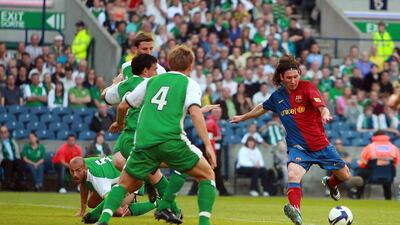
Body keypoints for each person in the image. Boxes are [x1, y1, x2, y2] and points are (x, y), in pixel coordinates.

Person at [96, 45, 216, 225]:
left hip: (143, 143)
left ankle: (103, 220)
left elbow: (122, 106)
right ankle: (196, 219)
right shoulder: (189, 83)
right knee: (206, 174)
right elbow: (195, 112)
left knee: (123, 184)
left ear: (168, 63)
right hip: (171, 140)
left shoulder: (150, 81)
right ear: (190, 66)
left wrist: (119, 123)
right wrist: (208, 145)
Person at [231, 55, 352, 225]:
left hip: (321, 146)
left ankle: (331, 183)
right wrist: (243, 117)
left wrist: (325, 113)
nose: (293, 81)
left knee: (345, 175)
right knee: (293, 174)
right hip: (298, 147)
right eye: (289, 78)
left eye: (296, 77)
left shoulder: (308, 87)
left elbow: (321, 105)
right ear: (281, 77)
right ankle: (296, 211)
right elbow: (261, 108)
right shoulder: (277, 97)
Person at [70, 156, 158, 220]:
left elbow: (113, 204)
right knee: (92, 203)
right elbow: (83, 183)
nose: (75, 175)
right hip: (119, 174)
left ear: (85, 168)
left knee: (119, 212)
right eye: (72, 171)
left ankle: (157, 202)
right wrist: (82, 210)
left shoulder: (98, 179)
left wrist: (94, 214)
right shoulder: (82, 163)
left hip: (132, 179)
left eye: (78, 171)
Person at [355, 131, 399, 200]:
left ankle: (358, 196)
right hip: (388, 176)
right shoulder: (393, 148)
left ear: (374, 137)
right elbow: (395, 163)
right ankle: (388, 198)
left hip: (371, 176)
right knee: (388, 175)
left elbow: (363, 163)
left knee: (360, 175)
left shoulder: (369, 147)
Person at [0, 125, 24, 190]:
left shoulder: (12, 141)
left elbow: (17, 152)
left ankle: (21, 183)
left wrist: (17, 158)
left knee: (19, 162)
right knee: (8, 162)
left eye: (5, 132)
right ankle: (7, 182)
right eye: (1, 132)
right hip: (4, 161)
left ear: (8, 133)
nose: (3, 134)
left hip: (14, 160)